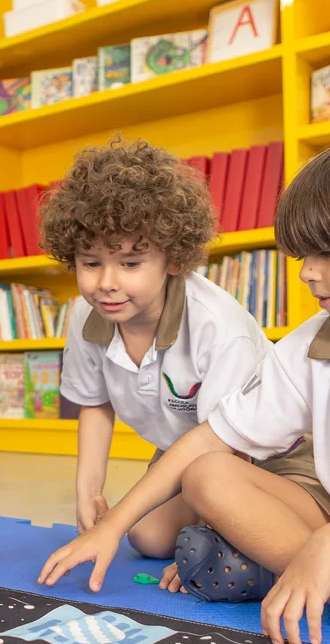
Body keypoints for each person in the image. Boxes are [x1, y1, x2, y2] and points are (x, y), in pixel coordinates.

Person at [39, 129, 330, 644]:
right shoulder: (309, 344)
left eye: (327, 252)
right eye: (304, 255)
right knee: (205, 476)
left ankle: (286, 564)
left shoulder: (219, 325)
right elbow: (209, 443)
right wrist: (112, 522)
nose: (307, 274)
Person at [39, 138, 283, 580]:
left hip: (261, 457)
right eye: (90, 262)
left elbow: (228, 448)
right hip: (188, 450)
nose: (106, 283)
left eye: (131, 264)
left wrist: (215, 536)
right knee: (147, 537)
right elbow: (95, 403)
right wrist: (87, 491)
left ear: (173, 259)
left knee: (220, 551)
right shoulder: (85, 313)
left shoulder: (217, 328)